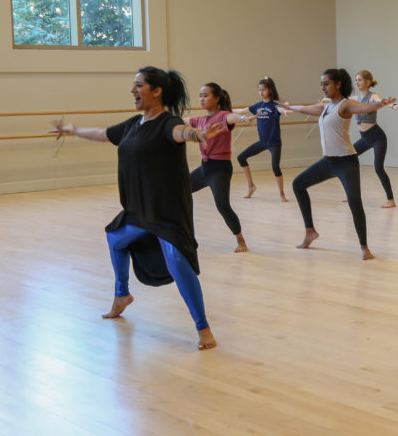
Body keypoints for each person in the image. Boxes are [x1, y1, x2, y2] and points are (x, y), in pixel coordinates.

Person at [52, 66, 223, 350]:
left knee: (179, 263)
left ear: (157, 91)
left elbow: (182, 132)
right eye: (133, 85)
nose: (133, 90)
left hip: (166, 211)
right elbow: (103, 133)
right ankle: (122, 295)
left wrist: (199, 135)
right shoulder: (133, 125)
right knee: (115, 238)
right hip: (139, 208)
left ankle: (203, 327)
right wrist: (74, 130)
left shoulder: (167, 122)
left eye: (138, 85)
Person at [284, 68, 396, 260]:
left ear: (338, 84)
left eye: (326, 83)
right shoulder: (326, 106)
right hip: (328, 161)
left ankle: (364, 247)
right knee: (298, 184)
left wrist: (380, 104)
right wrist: (287, 107)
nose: (323, 87)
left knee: (354, 202)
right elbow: (305, 109)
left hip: (346, 162)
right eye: (321, 84)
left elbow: (364, 108)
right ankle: (310, 231)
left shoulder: (346, 105)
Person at [189, 82, 252, 253]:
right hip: (205, 168)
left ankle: (241, 241)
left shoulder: (223, 115)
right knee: (180, 189)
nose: (202, 98)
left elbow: (232, 118)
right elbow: (182, 121)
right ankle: (185, 234)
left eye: (206, 95)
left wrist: (243, 118)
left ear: (217, 98)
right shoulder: (200, 120)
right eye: (200, 95)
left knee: (222, 205)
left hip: (220, 169)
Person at [349, 70, 398, 208]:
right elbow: (341, 100)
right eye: (356, 80)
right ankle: (352, 195)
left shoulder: (373, 96)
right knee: (348, 159)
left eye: (360, 80)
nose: (357, 82)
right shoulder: (356, 98)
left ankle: (391, 200)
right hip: (365, 138)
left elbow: (382, 102)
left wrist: (393, 105)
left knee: (378, 168)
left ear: (367, 82)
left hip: (377, 137)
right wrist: (326, 99)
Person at [236, 77, 289, 201]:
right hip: (262, 142)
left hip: (274, 143)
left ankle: (282, 194)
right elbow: (241, 110)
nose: (261, 92)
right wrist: (226, 110)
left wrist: (284, 110)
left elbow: (280, 109)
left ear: (269, 90)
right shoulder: (257, 106)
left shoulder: (274, 104)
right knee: (241, 157)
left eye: (263, 89)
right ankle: (251, 186)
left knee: (275, 167)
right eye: (259, 90)